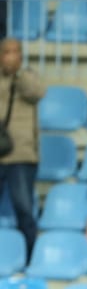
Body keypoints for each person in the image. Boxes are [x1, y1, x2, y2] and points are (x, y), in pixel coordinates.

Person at [0, 37, 43, 260]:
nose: (11, 56)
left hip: (22, 155)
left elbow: (37, 93)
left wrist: (16, 73)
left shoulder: (29, 76)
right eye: (7, 52)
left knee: (24, 209)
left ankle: (30, 256)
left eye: (16, 51)